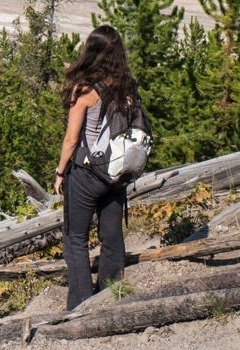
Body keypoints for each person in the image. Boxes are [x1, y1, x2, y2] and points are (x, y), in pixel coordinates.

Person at [54, 25, 138, 309]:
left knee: (75, 238)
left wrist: (60, 172)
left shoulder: (86, 90)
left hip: (88, 173)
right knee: (111, 234)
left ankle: (80, 303)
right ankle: (112, 292)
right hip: (116, 172)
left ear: (92, 50)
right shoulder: (127, 85)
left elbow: (71, 140)